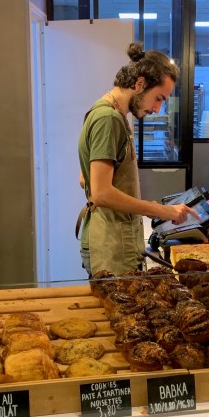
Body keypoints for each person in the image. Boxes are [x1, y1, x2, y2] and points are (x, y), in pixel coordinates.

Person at [77, 43, 198, 277]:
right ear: (140, 84)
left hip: (112, 239)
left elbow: (85, 179)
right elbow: (101, 193)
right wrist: (159, 210)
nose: (157, 108)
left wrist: (140, 206)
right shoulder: (108, 119)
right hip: (112, 245)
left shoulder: (106, 112)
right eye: (158, 98)